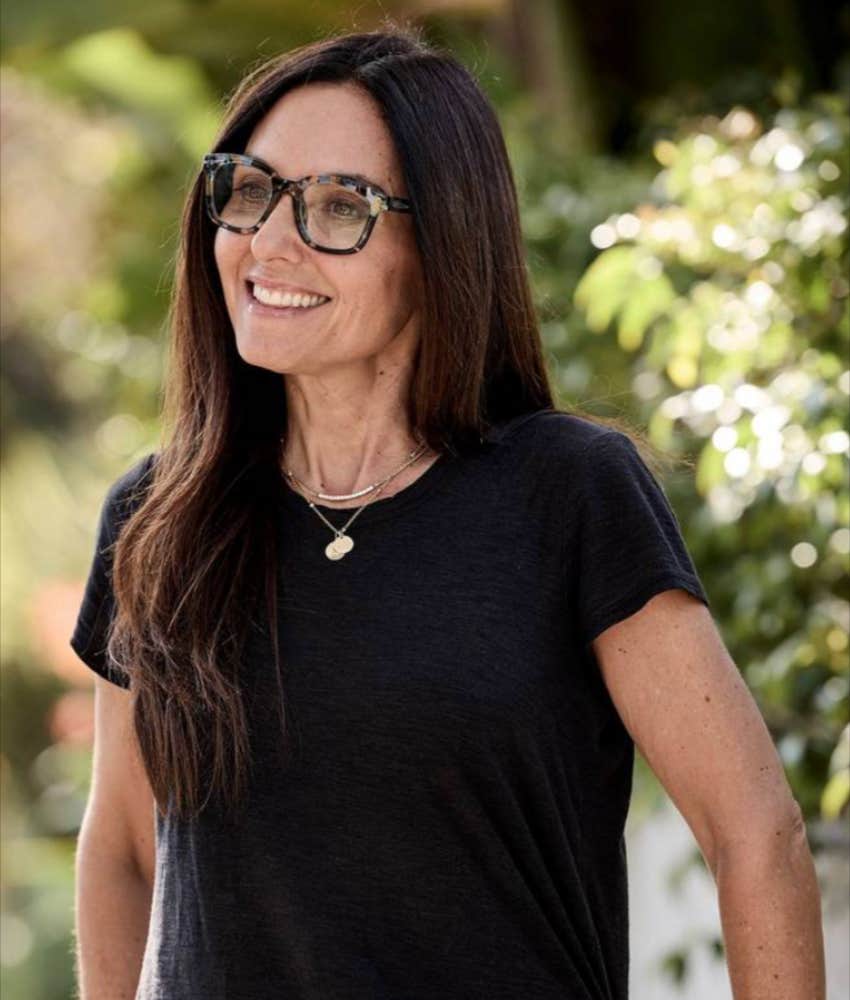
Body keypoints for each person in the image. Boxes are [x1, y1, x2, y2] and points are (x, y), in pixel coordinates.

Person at [70, 24, 825, 1000]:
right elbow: (124, 846)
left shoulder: (568, 492)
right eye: (249, 189)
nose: (267, 239)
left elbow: (753, 829)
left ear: (441, 241)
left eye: (339, 205)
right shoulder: (156, 514)